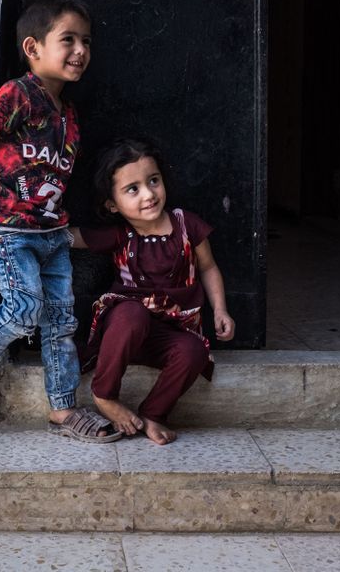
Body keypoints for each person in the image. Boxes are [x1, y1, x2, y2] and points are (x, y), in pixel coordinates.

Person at [0, 0, 119, 443]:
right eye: (68, 40)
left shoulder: (69, 115)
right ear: (33, 48)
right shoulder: (18, 94)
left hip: (52, 234)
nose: (81, 50)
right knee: (24, 311)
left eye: (87, 42)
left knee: (61, 322)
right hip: (6, 231)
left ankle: (63, 410)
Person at [69, 137, 235, 445]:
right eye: (133, 189)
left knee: (194, 351)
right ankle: (104, 394)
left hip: (168, 334)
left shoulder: (188, 226)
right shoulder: (120, 235)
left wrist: (221, 309)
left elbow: (209, 267)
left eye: (153, 181)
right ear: (112, 204)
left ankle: (154, 413)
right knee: (131, 314)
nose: (148, 194)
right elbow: (70, 237)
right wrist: (30, 227)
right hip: (125, 331)